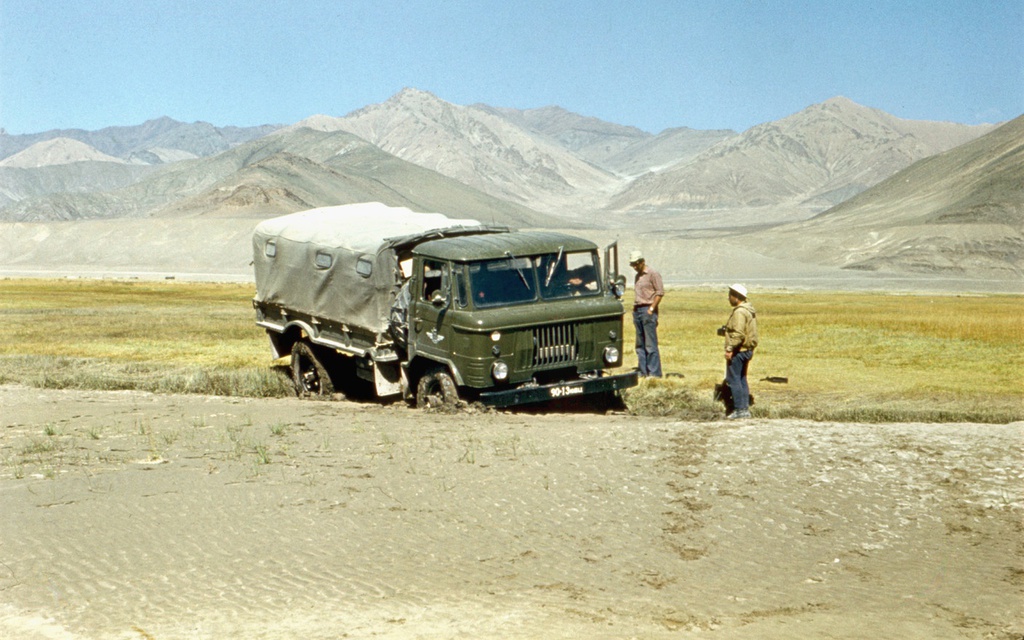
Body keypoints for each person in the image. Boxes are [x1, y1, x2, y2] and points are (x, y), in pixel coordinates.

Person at [722, 283, 758, 419]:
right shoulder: (748, 310)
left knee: (733, 379)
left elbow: (738, 333)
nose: (728, 298)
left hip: (739, 350)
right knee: (742, 378)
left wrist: (730, 348)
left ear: (736, 297)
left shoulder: (739, 312)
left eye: (730, 295)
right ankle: (744, 409)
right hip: (746, 350)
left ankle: (740, 409)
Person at [629, 250, 664, 377]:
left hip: (647, 310)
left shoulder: (653, 274)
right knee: (640, 344)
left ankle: (654, 373)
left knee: (650, 344)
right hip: (637, 310)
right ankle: (643, 371)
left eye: (636, 264)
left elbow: (659, 292)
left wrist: (651, 309)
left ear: (642, 262)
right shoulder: (637, 276)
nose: (634, 267)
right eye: (632, 264)